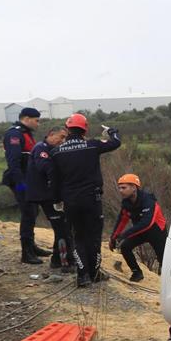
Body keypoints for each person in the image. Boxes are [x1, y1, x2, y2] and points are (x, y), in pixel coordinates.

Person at [51, 113, 121, 287]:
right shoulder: (92, 145)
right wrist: (111, 132)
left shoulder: (56, 152)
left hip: (70, 202)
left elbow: (55, 180)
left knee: (78, 237)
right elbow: (116, 142)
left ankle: (82, 276)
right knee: (94, 237)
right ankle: (95, 273)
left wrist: (57, 200)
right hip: (92, 200)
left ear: (67, 130)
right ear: (85, 129)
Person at [2, 107, 50, 264]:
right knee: (28, 213)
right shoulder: (14, 134)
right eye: (36, 120)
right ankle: (26, 253)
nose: (38, 123)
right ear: (27, 118)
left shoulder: (25, 133)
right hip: (20, 181)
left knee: (33, 211)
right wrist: (21, 185)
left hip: (28, 181)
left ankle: (32, 247)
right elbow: (13, 162)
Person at [25, 127, 72, 271]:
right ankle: (62, 261)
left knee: (62, 227)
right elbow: (46, 168)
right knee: (62, 228)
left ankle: (58, 260)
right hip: (45, 195)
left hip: (49, 194)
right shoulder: (41, 148)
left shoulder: (53, 150)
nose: (63, 141)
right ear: (51, 135)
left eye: (65, 138)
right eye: (61, 137)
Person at [108, 173, 167, 282]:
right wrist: (113, 237)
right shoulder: (126, 203)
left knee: (163, 258)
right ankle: (137, 273)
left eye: (124, 188)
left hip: (157, 230)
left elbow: (147, 223)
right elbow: (122, 220)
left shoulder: (148, 201)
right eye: (120, 187)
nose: (120, 190)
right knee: (125, 247)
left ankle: (165, 278)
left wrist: (124, 235)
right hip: (140, 230)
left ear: (134, 187)